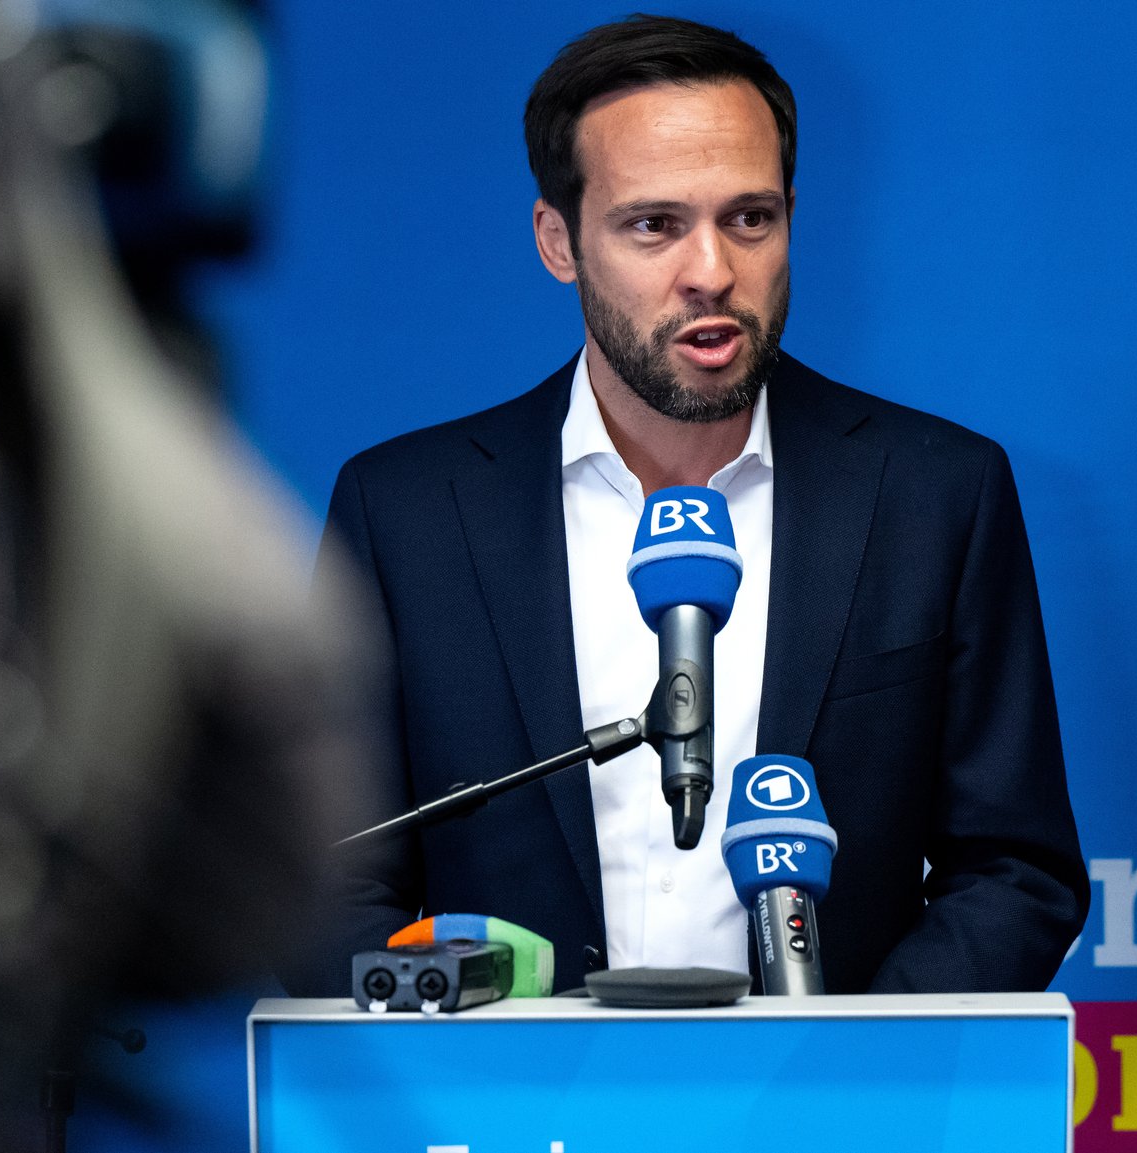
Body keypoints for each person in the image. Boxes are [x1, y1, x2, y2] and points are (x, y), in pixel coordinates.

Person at [289, 14, 1087, 997]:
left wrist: (849, 1065)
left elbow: (1014, 869)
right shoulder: (405, 512)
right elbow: (325, 878)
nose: (710, 271)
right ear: (558, 240)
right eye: (652, 224)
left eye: (747, 218)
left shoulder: (933, 492)